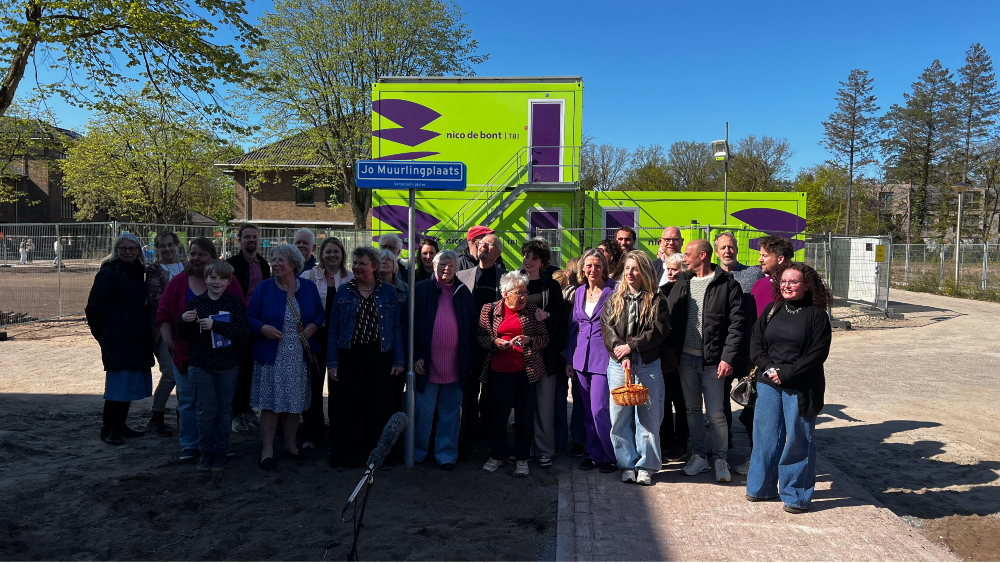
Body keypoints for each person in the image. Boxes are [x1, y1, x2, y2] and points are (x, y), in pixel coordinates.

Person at [747, 264, 832, 514]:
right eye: (783, 281)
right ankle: (760, 488)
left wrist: (786, 374)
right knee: (765, 438)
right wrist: (768, 367)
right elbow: (756, 341)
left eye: (793, 282)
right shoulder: (773, 310)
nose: (787, 285)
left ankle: (795, 496)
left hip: (801, 385)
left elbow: (818, 354)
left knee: (798, 440)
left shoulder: (817, 316)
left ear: (807, 285)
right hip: (769, 383)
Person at [157, 237, 246, 461]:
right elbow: (164, 313)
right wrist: (169, 341)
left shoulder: (229, 281)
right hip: (189, 354)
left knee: (219, 404)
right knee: (188, 401)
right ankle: (191, 444)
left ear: (213, 257)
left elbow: (240, 317)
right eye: (193, 254)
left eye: (202, 254)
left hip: (223, 356)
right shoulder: (179, 282)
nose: (196, 258)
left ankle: (218, 445)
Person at [668, 239, 744, 483]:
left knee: (716, 413)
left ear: (703, 255)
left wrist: (727, 357)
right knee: (692, 410)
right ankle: (699, 456)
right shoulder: (682, 282)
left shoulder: (726, 284)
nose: (684, 259)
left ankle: (720, 458)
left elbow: (737, 325)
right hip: (686, 359)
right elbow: (670, 314)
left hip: (713, 362)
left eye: (688, 255)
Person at [246, 244, 324, 471]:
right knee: (271, 405)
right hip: (272, 354)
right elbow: (250, 316)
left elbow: (320, 313)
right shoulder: (264, 287)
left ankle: (291, 446)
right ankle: (267, 450)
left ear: (293, 264)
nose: (275, 264)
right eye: (273, 259)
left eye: (280, 260)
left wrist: (313, 325)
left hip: (299, 355)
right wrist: (262, 328)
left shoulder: (308, 287)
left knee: (294, 403)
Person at [327, 246, 405, 468]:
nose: (357, 267)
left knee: (379, 408)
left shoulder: (388, 292)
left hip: (380, 357)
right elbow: (333, 329)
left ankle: (380, 458)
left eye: (362, 263)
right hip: (349, 357)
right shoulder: (344, 291)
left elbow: (396, 328)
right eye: (355, 263)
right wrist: (332, 362)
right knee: (348, 409)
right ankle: (347, 458)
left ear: (374, 266)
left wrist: (398, 360)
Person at [601, 251, 671, 486]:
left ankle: (647, 466)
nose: (629, 273)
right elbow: (607, 328)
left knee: (649, 418)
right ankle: (627, 464)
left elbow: (659, 331)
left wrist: (631, 347)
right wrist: (621, 353)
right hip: (618, 364)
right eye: (627, 268)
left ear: (644, 272)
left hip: (648, 363)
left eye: (635, 269)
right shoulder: (613, 297)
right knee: (619, 416)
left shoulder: (656, 299)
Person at [177, 260, 249, 472]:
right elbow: (184, 336)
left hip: (227, 366)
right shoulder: (195, 303)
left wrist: (214, 325)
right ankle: (206, 451)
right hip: (200, 365)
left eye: (222, 278)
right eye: (213, 277)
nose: (217, 282)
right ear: (206, 279)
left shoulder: (234, 303)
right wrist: (183, 320)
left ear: (228, 281)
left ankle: (221, 451)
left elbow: (241, 333)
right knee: (204, 411)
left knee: (224, 411)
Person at [86, 232, 156, 445]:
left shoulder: (139, 272)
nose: (127, 252)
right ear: (117, 250)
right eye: (123, 248)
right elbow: (93, 308)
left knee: (129, 382)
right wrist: (103, 335)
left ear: (138, 251)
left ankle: (120, 424)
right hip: (117, 337)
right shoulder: (109, 273)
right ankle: (108, 428)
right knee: (118, 384)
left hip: (136, 335)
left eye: (132, 248)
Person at [479, 271, 549, 478]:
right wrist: (494, 342)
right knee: (498, 416)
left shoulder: (533, 310)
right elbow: (480, 337)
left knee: (524, 417)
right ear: (506, 293)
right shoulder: (489, 309)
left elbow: (545, 339)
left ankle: (521, 458)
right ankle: (497, 455)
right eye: (518, 293)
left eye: (525, 292)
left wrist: (529, 341)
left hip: (526, 372)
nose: (523, 296)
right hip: (499, 372)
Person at [413, 250, 477, 469]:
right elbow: (408, 327)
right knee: (423, 413)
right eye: (442, 265)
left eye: (450, 265)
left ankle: (446, 454)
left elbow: (471, 329)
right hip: (426, 366)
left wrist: (467, 362)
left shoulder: (463, 293)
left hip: (454, 367)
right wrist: (416, 357)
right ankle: (418, 451)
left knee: (450, 415)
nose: (446, 269)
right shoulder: (420, 290)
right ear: (433, 266)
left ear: (456, 268)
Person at [715, 232, 764, 473]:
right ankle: (725, 446)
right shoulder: (713, 276)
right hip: (722, 350)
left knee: (751, 399)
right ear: (716, 252)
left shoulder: (753, 274)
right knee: (720, 399)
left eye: (731, 247)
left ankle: (756, 449)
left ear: (737, 249)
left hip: (748, 351)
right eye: (723, 247)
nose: (727, 251)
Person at [566, 248, 618, 473]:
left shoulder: (613, 290)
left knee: (600, 409)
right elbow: (574, 328)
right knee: (586, 410)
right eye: (589, 265)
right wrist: (569, 359)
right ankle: (593, 453)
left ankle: (609, 455)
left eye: (598, 265)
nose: (593, 269)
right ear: (582, 269)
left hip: (603, 358)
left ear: (604, 268)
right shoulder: (578, 293)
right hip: (580, 359)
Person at [299, 236, 353, 449]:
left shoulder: (350, 278)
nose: (332, 255)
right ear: (321, 254)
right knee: (313, 385)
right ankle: (313, 433)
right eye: (328, 251)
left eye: (336, 252)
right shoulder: (308, 276)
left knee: (339, 386)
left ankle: (338, 431)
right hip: (315, 336)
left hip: (341, 339)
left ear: (342, 255)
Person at [455, 233, 506, 460]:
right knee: (467, 396)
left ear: (498, 252)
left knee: (493, 397)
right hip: (468, 345)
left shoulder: (506, 279)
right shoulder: (461, 276)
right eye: (481, 243)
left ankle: (491, 440)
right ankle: (467, 441)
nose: (483, 246)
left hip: (495, 346)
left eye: (489, 244)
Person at [520, 238, 566, 468]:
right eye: (526, 256)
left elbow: (561, 317)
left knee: (544, 403)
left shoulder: (552, 285)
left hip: (546, 352)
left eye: (534, 258)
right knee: (523, 404)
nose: (528, 261)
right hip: (521, 353)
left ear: (543, 262)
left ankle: (544, 450)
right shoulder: (516, 281)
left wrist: (546, 316)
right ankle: (523, 448)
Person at [227, 224, 271, 432]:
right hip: (239, 321)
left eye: (254, 237)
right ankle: (235, 412)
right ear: (240, 240)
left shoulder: (263, 264)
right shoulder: (231, 264)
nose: (251, 240)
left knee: (253, 368)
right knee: (239, 367)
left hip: (258, 322)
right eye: (247, 237)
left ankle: (247, 409)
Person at [145, 231, 188, 437]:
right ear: (157, 248)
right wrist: (183, 305)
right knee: (170, 374)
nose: (167, 249)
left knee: (185, 371)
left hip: (187, 328)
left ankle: (183, 415)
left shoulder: (187, 266)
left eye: (171, 245)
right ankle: (157, 416)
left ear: (177, 246)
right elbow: (156, 298)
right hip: (163, 328)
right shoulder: (153, 269)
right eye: (162, 246)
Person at [658, 251, 689, 460]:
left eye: (674, 269)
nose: (670, 273)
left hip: (682, 353)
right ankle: (666, 439)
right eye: (668, 269)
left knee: (681, 401)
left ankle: (682, 440)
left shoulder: (687, 290)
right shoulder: (662, 290)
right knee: (665, 399)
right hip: (664, 354)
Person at [753, 236, 795, 317]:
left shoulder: (796, 288)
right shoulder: (758, 285)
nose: (760, 260)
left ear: (780, 259)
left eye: (764, 256)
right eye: (760, 255)